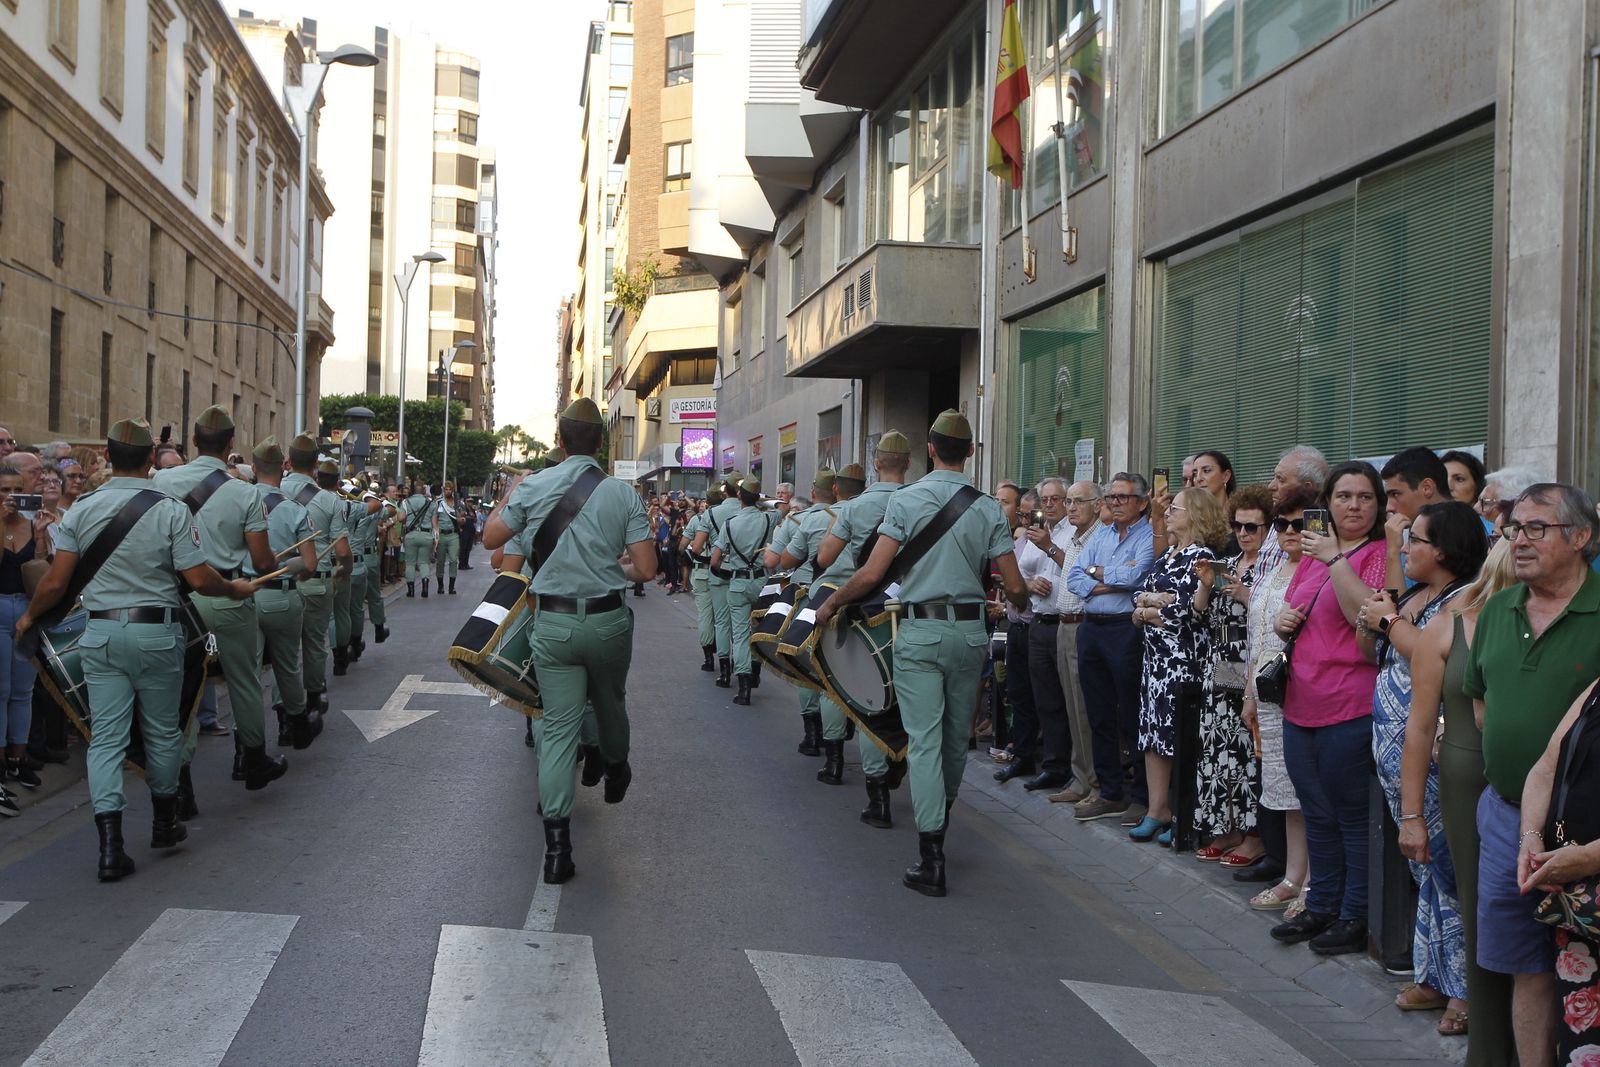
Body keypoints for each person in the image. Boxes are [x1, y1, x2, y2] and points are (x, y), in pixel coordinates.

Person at [15, 418, 256, 881]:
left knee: (106, 738)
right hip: (157, 632)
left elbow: (56, 581)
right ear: (150, 459)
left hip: (101, 633)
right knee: (163, 730)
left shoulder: (83, 508)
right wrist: (235, 589)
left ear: (106, 455)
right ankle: (164, 823)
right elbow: (200, 580)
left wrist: (29, 619)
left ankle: (110, 846)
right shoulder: (169, 510)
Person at [815, 411, 1026, 896]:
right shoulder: (989, 508)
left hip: (919, 633)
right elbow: (1013, 585)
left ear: (930, 449)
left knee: (925, 743)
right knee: (956, 742)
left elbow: (871, 575)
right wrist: (1018, 600)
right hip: (971, 636)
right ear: (970, 452)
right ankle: (941, 819)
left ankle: (932, 855)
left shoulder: (908, 500)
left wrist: (830, 603)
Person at [481, 398, 655, 884]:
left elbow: (492, 540)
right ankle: (616, 767)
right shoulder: (623, 494)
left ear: (559, 439)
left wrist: (513, 491)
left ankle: (557, 848)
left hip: (551, 624)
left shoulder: (534, 486)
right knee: (609, 702)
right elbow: (645, 569)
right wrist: (609, 568)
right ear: (601, 442)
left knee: (556, 730)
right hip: (606, 622)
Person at [1464, 482, 1600, 1065]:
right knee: (1525, 961)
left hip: (1587, 829)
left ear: (1581, 537)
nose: (1517, 540)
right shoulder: (1499, 608)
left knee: (1585, 962)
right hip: (1507, 814)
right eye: (1512, 527)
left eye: (1535, 529)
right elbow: (1483, 704)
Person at [1360, 500, 1487, 1035]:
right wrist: (1385, 618)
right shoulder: (1419, 593)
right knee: (1426, 872)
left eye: (1416, 539)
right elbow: (1378, 646)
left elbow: (1423, 654)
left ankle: (1465, 991)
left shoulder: (1466, 600)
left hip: (1438, 759)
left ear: (1446, 549)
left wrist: (1388, 621)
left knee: (1451, 873)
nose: (1406, 548)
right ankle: (1433, 974)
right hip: (1397, 760)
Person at [1401, 539, 1518, 1064]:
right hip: (1465, 787)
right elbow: (1419, 730)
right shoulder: (1450, 625)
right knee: (1481, 913)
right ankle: (1491, 1046)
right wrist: (1411, 817)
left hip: (1545, 789)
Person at [1270, 461, 1387, 955]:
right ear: (1329, 503)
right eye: (1344, 496)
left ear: (1378, 505)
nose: (1354, 505)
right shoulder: (1313, 552)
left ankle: (1355, 914)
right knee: (1316, 812)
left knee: (1351, 815)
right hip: (1301, 699)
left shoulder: (1379, 553)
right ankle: (1322, 904)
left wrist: (1338, 559)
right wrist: (1281, 619)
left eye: (1364, 497)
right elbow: (1293, 608)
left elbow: (1363, 615)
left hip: (1350, 702)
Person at [152, 406, 286, 806]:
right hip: (227, 594)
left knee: (184, 690)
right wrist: (275, 562)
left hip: (176, 598)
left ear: (192, 441)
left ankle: (181, 783)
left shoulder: (161, 480)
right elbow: (262, 563)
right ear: (230, 445)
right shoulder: (244, 492)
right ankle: (254, 761)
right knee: (244, 681)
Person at [812, 437, 911, 824]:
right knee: (903, 696)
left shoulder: (854, 506)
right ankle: (897, 761)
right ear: (908, 463)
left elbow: (824, 557)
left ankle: (873, 793)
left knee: (862, 691)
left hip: (863, 607)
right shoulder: (921, 499)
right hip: (909, 608)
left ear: (876, 463)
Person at [1127, 487, 1225, 844]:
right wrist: (1151, 603)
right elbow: (1138, 595)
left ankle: (1182, 812)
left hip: (1182, 662)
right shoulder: (1169, 553)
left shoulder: (1201, 555)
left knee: (1177, 736)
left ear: (1195, 515)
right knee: (1153, 734)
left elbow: (1189, 611)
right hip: (1155, 661)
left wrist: (1152, 609)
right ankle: (1156, 810)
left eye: (1175, 509)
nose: (1167, 513)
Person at [1517, 677, 1600, 1066]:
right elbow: (1546, 767)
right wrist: (1531, 837)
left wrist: (1588, 857)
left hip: (1582, 873)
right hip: (1577, 901)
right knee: (1583, 1046)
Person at [1065, 474, 1157, 823]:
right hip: (1092, 629)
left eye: (1122, 497)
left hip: (1125, 631)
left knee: (1133, 713)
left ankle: (1142, 795)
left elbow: (1138, 579)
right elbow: (1075, 579)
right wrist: (1108, 577)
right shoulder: (1100, 535)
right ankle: (1109, 791)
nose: (1115, 502)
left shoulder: (1150, 535)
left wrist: (1098, 577)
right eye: (1111, 497)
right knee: (1099, 713)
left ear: (1141, 502)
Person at [1242, 489, 1315, 915]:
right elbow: (1256, 639)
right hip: (1267, 694)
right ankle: (1293, 874)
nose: (1289, 532)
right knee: (1282, 789)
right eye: (1282, 524)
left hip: (1303, 692)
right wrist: (1250, 692)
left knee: (1306, 792)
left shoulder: (1318, 569)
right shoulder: (1272, 569)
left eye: (1299, 524)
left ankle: (1311, 884)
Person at [1193, 485, 1269, 865]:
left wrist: (1245, 596)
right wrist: (1206, 585)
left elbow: (1270, 617)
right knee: (1217, 750)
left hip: (1248, 666)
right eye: (1238, 526)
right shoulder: (1229, 562)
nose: (1244, 534)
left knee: (1246, 754)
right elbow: (1199, 616)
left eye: (1252, 527)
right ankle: (1226, 830)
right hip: (1218, 662)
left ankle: (1255, 837)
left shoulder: (1269, 568)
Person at [249, 438, 321, 753]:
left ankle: (245, 750)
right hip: (281, 596)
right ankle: (292, 725)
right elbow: (309, 564)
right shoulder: (294, 509)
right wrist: (294, 569)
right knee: (286, 664)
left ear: (253, 468)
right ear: (283, 468)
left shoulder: (236, 501)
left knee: (246, 675)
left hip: (243, 595)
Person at [1015, 478, 1078, 794]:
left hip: (1065, 623)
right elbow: (1021, 573)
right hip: (1038, 622)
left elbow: (1078, 572)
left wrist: (1049, 548)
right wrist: (1027, 585)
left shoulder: (1072, 532)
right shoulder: (1032, 533)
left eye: (1057, 499)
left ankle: (1074, 769)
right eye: (1045, 499)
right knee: (1046, 700)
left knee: (1071, 701)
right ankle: (1053, 765)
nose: (1050, 504)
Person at [1043, 480, 1103, 806]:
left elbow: (1089, 582)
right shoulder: (1074, 536)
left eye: (1078, 501)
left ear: (1097, 504)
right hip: (1063, 624)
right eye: (1069, 501)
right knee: (1070, 705)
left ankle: (1095, 783)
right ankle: (1080, 778)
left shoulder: (1099, 537)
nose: (1070, 507)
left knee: (1085, 707)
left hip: (1082, 623)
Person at [281, 439, 348, 717]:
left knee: (282, 652)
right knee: (314, 642)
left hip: (278, 581)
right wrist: (344, 570)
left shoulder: (269, 491)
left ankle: (284, 711)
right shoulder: (330, 499)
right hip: (316, 580)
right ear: (315, 466)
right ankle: (312, 698)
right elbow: (342, 550)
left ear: (289, 460)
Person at [1, 463, 56, 794]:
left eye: (15, 490)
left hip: (25, 608)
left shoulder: (34, 524)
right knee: (1, 690)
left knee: (22, 691)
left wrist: (38, 539)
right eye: (3, 490)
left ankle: (18, 760)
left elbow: (41, 574)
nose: (10, 497)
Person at [779, 470, 838, 759]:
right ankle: (835, 738)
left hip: (815, 596)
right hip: (850, 598)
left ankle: (812, 734)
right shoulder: (853, 514)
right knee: (839, 668)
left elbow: (786, 559)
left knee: (807, 663)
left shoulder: (808, 519)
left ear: (814, 493)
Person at [710, 476, 773, 706]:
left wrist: (729, 573)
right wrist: (762, 500)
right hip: (762, 582)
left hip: (737, 583)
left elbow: (715, 561)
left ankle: (744, 687)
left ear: (738, 496)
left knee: (740, 633)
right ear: (757, 497)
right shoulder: (769, 519)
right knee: (759, 630)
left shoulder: (730, 524)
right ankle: (756, 669)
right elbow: (782, 507)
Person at [694, 472, 745, 688]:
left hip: (719, 572)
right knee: (742, 626)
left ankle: (724, 673)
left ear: (726, 491)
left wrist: (713, 560)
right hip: (745, 575)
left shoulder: (712, 514)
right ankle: (745, 670)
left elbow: (696, 548)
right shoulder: (757, 515)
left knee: (722, 622)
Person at [1381, 446, 1452, 591]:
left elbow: (1398, 610)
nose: (1389, 507)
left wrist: (1393, 552)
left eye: (1395, 494)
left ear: (1427, 488)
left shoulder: (1480, 531)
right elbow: (1397, 607)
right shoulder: (1406, 537)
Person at [684, 487, 724, 671]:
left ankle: (708, 658)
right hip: (723, 570)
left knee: (705, 615)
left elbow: (683, 545)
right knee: (723, 616)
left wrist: (692, 548)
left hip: (701, 571)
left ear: (706, 502)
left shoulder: (697, 519)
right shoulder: (729, 518)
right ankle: (726, 656)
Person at [400, 483, 435, 597]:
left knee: (410, 563)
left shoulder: (406, 502)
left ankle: (411, 590)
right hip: (426, 535)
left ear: (412, 491)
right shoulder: (431, 503)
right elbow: (434, 522)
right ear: (424, 491)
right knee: (424, 562)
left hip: (411, 535)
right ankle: (425, 586)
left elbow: (401, 518)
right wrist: (436, 538)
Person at [434, 484, 462, 595]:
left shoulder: (457, 503)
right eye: (446, 489)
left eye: (450, 489)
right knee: (440, 561)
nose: (448, 491)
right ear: (443, 490)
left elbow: (460, 516)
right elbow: (434, 517)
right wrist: (435, 532)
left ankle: (452, 587)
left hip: (453, 534)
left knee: (454, 560)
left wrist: (461, 519)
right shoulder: (439, 503)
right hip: (441, 534)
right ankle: (440, 586)